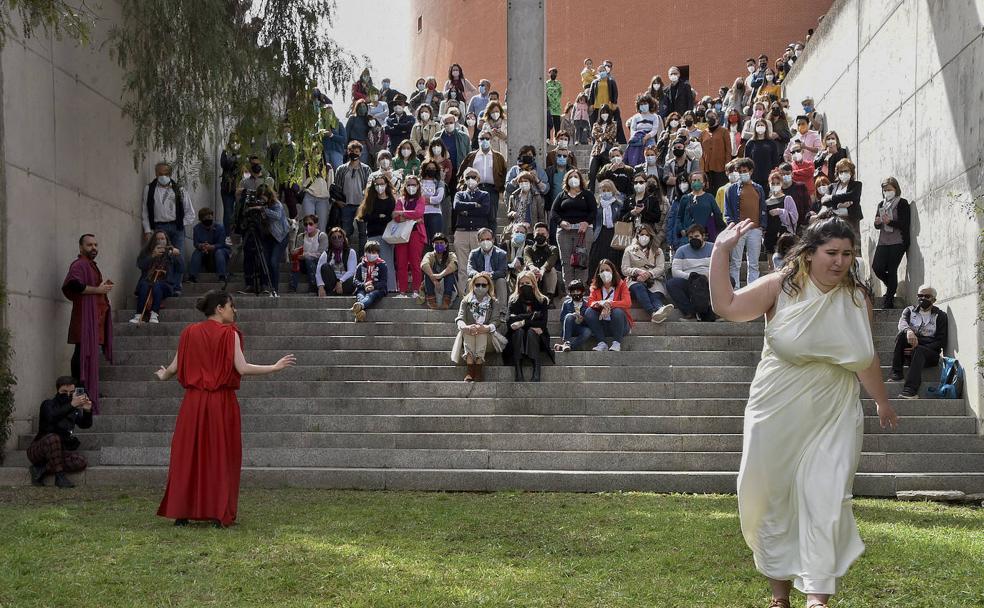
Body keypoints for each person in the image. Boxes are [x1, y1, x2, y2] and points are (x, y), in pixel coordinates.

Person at [708, 211, 898, 608]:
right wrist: (721, 253)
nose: (840, 262)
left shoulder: (856, 297)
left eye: (847, 253)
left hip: (834, 411)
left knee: (826, 499)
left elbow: (865, 356)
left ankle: (817, 596)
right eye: (832, 252)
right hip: (777, 407)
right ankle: (780, 595)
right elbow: (727, 306)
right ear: (809, 253)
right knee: (771, 498)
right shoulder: (781, 287)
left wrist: (881, 400)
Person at [156, 291, 295, 527]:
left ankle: (182, 513)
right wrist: (273, 367)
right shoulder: (229, 334)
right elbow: (241, 368)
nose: (234, 310)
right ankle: (218, 514)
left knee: (189, 455)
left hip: (192, 403)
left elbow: (173, 367)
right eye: (231, 305)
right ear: (219, 308)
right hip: (220, 402)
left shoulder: (189, 332)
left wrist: (163, 375)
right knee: (220, 456)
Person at [61, 234, 113, 412]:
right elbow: (73, 285)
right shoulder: (80, 264)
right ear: (81, 247)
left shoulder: (90, 265)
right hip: (84, 318)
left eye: (96, 244)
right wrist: (98, 289)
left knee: (87, 355)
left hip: (94, 318)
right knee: (80, 354)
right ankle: (79, 393)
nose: (94, 247)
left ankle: (87, 392)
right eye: (90, 245)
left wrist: (100, 289)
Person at [27, 376, 93, 488]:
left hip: (57, 453)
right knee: (53, 437)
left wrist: (87, 410)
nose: (68, 395)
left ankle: (41, 468)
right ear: (57, 391)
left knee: (80, 461)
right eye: (64, 392)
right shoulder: (48, 404)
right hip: (38, 450)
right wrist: (72, 405)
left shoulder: (73, 410)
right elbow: (52, 417)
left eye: (71, 392)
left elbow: (85, 424)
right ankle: (60, 477)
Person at [892, 285, 947, 399]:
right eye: (920, 295)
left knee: (920, 351)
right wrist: (909, 332)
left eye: (926, 296)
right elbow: (902, 324)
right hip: (911, 350)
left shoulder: (940, 315)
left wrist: (918, 346)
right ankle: (897, 373)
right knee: (902, 334)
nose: (922, 298)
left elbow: (941, 342)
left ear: (934, 300)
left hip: (930, 353)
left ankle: (911, 390)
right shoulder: (909, 310)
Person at [451, 273, 505, 382]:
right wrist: (465, 327)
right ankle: (470, 368)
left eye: (484, 285)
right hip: (469, 335)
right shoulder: (465, 301)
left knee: (481, 331)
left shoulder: (493, 302)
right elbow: (460, 318)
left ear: (489, 286)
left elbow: (496, 320)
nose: (480, 287)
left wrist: (486, 328)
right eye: (477, 284)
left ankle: (479, 366)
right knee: (469, 331)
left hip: (488, 338)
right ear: (473, 285)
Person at [724, 158, 767, 286]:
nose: (742, 173)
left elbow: (763, 208)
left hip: (755, 230)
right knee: (736, 262)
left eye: (745, 171)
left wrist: (762, 227)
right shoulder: (731, 190)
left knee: (754, 263)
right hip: (739, 229)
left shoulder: (758, 188)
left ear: (751, 171)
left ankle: (752, 290)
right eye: (740, 171)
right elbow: (727, 212)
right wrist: (733, 226)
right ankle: (735, 290)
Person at [505, 271, 554, 381]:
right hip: (518, 337)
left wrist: (522, 322)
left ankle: (537, 368)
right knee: (519, 332)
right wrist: (532, 316)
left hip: (537, 337)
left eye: (527, 283)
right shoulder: (513, 300)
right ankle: (518, 370)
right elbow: (509, 321)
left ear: (533, 283)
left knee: (532, 332)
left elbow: (542, 323)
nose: (524, 286)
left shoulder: (542, 300)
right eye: (521, 284)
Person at [141, 161, 196, 258]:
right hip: (159, 228)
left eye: (166, 174)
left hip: (177, 229)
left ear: (170, 174)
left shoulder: (180, 190)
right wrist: (147, 230)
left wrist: (179, 223)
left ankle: (178, 274)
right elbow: (145, 211)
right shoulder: (149, 189)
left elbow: (190, 213)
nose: (163, 176)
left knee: (178, 258)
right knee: (161, 257)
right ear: (156, 174)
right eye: (160, 174)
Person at [551, 169, 596, 286]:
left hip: (583, 232)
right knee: (566, 262)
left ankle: (580, 288)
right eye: (570, 177)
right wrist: (561, 222)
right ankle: (569, 289)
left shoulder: (587, 194)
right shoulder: (562, 195)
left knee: (582, 261)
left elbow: (593, 211)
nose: (573, 179)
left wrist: (586, 222)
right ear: (566, 180)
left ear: (580, 179)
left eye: (576, 176)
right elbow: (553, 212)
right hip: (565, 232)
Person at [871, 177, 911, 308]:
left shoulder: (902, 203)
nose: (887, 192)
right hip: (883, 241)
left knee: (892, 269)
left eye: (889, 189)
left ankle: (888, 301)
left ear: (895, 189)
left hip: (898, 241)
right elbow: (878, 224)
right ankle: (892, 287)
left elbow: (905, 224)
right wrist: (877, 223)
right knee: (877, 267)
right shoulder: (881, 204)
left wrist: (890, 222)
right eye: (885, 190)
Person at [622, 224, 674, 323]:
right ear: (637, 235)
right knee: (639, 288)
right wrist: (637, 271)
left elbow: (660, 267)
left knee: (655, 293)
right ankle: (653, 313)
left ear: (651, 236)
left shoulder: (658, 251)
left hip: (653, 279)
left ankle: (660, 309)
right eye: (642, 234)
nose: (644, 237)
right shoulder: (629, 250)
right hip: (635, 281)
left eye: (647, 235)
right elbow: (624, 269)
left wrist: (649, 274)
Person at [355, 174, 398, 292]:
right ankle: (372, 287)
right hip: (373, 235)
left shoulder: (391, 200)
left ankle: (390, 288)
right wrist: (379, 216)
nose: (380, 186)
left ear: (386, 185)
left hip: (388, 236)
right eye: (377, 184)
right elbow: (364, 216)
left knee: (387, 262)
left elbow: (392, 217)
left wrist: (381, 217)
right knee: (372, 264)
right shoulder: (370, 200)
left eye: (382, 184)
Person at [130, 231, 182, 324]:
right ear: (153, 241)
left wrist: (177, 256)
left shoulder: (171, 252)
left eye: (162, 239)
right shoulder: (147, 252)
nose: (160, 241)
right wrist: (152, 256)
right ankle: (138, 315)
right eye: (157, 239)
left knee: (157, 285)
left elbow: (181, 268)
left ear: (166, 240)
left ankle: (154, 314)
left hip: (165, 284)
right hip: (148, 282)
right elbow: (141, 265)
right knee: (145, 285)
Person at [667, 224, 716, 321]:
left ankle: (717, 312)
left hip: (708, 281)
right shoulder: (681, 250)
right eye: (691, 237)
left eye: (697, 236)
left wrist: (707, 277)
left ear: (703, 236)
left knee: (729, 281)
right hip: (689, 280)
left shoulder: (713, 248)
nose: (694, 239)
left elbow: (719, 267)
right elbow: (675, 271)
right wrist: (693, 277)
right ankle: (690, 313)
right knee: (671, 284)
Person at [452, 168, 492, 288]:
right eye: (468, 177)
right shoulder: (460, 194)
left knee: (479, 266)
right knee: (462, 267)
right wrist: (474, 205)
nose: (471, 180)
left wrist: (466, 211)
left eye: (473, 177)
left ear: (478, 179)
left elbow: (485, 210)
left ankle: (481, 293)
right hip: (461, 232)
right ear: (464, 179)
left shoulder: (485, 195)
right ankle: (464, 296)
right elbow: (457, 206)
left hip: (478, 233)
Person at [460, 132, 507, 231]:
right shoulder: (472, 156)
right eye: (482, 138)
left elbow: (504, 173)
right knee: (475, 215)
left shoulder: (498, 156)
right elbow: (462, 172)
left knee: (492, 218)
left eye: (487, 138)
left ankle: (493, 242)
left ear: (490, 140)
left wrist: (501, 189)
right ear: (478, 140)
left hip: (492, 190)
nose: (484, 141)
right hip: (475, 189)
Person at [584, 260, 633, 351]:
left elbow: (627, 302)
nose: (605, 273)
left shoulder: (622, 285)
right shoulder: (595, 287)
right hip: (603, 325)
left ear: (613, 272)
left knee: (617, 311)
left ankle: (617, 343)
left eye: (607, 270)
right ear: (598, 274)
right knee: (589, 312)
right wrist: (601, 303)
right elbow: (590, 302)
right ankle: (602, 343)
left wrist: (609, 303)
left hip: (621, 325)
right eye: (602, 271)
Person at [392, 175, 428, 297]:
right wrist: (413, 218)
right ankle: (401, 290)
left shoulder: (421, 199)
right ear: (404, 186)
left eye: (413, 184)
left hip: (416, 234)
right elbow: (396, 218)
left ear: (418, 186)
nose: (411, 187)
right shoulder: (400, 200)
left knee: (415, 263)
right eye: (408, 184)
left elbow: (419, 212)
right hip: (401, 236)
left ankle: (416, 290)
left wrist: (402, 213)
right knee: (401, 263)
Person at [466, 227, 509, 322]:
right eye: (482, 239)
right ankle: (470, 311)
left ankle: (502, 312)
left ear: (493, 240)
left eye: (488, 239)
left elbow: (503, 271)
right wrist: (479, 275)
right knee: (469, 281)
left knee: (502, 281)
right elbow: (470, 270)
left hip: (494, 280)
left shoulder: (501, 254)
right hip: (480, 280)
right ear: (478, 241)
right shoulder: (474, 253)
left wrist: (490, 275)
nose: (485, 241)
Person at [820, 158, 863, 245]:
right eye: (841, 172)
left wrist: (832, 197)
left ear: (851, 172)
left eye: (846, 171)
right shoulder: (832, 186)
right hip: (835, 220)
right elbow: (824, 201)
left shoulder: (857, 185)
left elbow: (852, 195)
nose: (843, 173)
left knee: (853, 244)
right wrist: (839, 205)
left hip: (851, 220)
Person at [333, 141, 371, 239]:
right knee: (346, 232)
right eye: (351, 151)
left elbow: (370, 187)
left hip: (361, 205)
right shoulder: (341, 169)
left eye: (357, 151)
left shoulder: (366, 169)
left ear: (360, 153)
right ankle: (347, 253)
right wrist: (337, 201)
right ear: (348, 152)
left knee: (363, 233)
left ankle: (363, 254)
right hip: (346, 205)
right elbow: (336, 188)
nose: (354, 153)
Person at [676, 170, 726, 243]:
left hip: (705, 236)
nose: (696, 182)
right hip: (688, 236)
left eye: (699, 180)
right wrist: (681, 230)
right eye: (694, 180)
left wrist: (721, 231)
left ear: (704, 183)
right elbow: (679, 217)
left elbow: (717, 215)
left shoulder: (709, 197)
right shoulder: (685, 198)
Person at [588, 179, 624, 276]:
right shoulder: (596, 205)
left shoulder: (619, 205)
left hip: (614, 235)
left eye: (608, 190)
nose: (606, 192)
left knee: (613, 260)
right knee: (597, 259)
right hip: (599, 234)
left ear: (613, 191)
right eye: (603, 190)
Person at [187, 208, 230, 288]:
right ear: (201, 219)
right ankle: (192, 276)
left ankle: (222, 276)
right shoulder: (197, 228)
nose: (209, 219)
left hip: (219, 250)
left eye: (210, 217)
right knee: (197, 253)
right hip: (204, 250)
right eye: (206, 218)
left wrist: (212, 247)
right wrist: (201, 246)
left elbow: (222, 243)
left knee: (219, 252)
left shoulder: (219, 227)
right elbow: (196, 243)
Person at [763, 170, 800, 258]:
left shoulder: (787, 198)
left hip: (784, 235)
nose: (775, 186)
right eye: (773, 183)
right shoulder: (766, 202)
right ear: (769, 184)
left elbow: (794, 217)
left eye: (777, 183)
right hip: (770, 235)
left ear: (781, 184)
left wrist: (780, 211)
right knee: (771, 261)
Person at [299, 143, 334, 233]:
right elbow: (302, 183)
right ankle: (308, 246)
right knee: (308, 226)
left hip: (323, 199)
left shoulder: (328, 167)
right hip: (309, 196)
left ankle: (321, 247)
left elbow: (330, 185)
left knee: (321, 228)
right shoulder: (306, 166)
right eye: (314, 152)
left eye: (318, 152)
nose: (316, 154)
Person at [289, 214, 328, 293]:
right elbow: (299, 251)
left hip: (318, 264)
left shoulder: (322, 236)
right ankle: (292, 287)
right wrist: (295, 252)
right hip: (305, 263)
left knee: (308, 260)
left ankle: (313, 286)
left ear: (316, 224)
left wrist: (307, 255)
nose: (308, 226)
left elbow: (321, 254)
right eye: (305, 224)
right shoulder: (301, 236)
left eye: (310, 224)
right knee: (296, 261)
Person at [351, 241, 389, 322]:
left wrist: (373, 286)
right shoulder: (361, 265)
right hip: (363, 288)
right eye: (369, 252)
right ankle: (359, 313)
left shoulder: (382, 265)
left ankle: (360, 305)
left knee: (371, 295)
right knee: (360, 295)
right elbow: (355, 280)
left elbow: (384, 282)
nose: (371, 254)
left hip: (377, 289)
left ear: (378, 253)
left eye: (373, 252)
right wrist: (364, 285)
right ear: (365, 252)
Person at [316, 227, 357, 297]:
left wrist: (340, 282)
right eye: (334, 238)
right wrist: (320, 287)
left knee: (353, 279)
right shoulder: (326, 253)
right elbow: (318, 271)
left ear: (343, 239)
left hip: (344, 281)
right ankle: (336, 292)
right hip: (331, 281)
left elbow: (351, 271)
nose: (337, 239)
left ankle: (333, 293)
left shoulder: (350, 252)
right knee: (325, 267)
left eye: (340, 237)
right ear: (330, 240)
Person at [421, 232, 458, 309]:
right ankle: (431, 299)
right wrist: (434, 279)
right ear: (433, 244)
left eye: (441, 243)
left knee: (449, 273)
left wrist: (441, 275)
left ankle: (446, 300)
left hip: (447, 287)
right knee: (428, 273)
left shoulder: (451, 255)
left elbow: (454, 264)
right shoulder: (429, 255)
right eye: (436, 243)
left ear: (446, 244)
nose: (439, 245)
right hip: (433, 285)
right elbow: (424, 264)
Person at [524, 222, 560, 300]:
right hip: (533, 272)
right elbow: (527, 258)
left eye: (543, 234)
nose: (540, 236)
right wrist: (532, 267)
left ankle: (550, 297)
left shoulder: (553, 249)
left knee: (552, 270)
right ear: (534, 234)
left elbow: (551, 261)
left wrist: (542, 269)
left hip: (546, 274)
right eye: (538, 234)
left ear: (547, 235)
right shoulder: (528, 248)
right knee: (526, 271)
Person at [624, 95, 663, 167]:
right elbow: (632, 129)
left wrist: (646, 137)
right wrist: (636, 137)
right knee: (633, 157)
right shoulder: (636, 117)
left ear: (649, 104)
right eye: (641, 104)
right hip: (637, 138)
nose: (643, 106)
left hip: (650, 138)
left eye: (645, 104)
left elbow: (654, 130)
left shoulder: (654, 116)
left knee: (651, 154)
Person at [700, 110, 732, 193]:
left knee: (720, 191)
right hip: (707, 168)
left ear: (717, 119)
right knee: (708, 191)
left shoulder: (724, 131)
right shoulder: (703, 133)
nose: (711, 119)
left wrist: (727, 166)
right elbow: (701, 151)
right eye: (708, 117)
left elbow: (728, 150)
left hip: (720, 168)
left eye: (713, 117)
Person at [555, 279, 592, 352]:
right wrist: (572, 316)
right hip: (569, 328)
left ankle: (567, 346)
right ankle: (567, 342)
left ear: (583, 292)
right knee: (569, 315)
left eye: (577, 291)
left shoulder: (587, 304)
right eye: (573, 291)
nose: (575, 293)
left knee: (588, 332)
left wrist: (582, 320)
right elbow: (562, 319)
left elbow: (589, 321)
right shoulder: (566, 303)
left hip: (580, 327)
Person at [506, 171, 548, 235]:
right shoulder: (513, 196)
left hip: (530, 230)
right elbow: (509, 214)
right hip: (517, 229)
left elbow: (541, 216)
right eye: (521, 182)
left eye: (525, 181)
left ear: (530, 183)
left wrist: (539, 230)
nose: (523, 183)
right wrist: (512, 213)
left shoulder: (536, 197)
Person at [588, 106, 617, 189]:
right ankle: (590, 193)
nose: (604, 114)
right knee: (592, 173)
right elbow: (594, 135)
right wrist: (604, 136)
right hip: (596, 151)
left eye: (606, 112)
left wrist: (601, 136)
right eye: (602, 112)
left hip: (607, 151)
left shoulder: (613, 124)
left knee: (607, 174)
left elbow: (612, 135)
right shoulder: (596, 124)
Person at [219, 135, 243, 235]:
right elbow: (225, 165)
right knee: (228, 212)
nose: (235, 143)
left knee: (240, 211)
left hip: (240, 186)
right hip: (227, 186)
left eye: (237, 141)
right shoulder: (225, 153)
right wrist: (234, 156)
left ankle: (238, 233)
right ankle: (228, 235)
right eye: (232, 141)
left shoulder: (244, 152)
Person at [419, 160, 447, 243]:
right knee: (423, 241)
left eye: (433, 168)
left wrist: (425, 199)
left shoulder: (439, 183)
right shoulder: (419, 182)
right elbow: (416, 198)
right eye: (429, 168)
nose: (431, 170)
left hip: (435, 214)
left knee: (435, 240)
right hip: (421, 215)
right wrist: (432, 200)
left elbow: (439, 198)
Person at [545, 67, 563, 144]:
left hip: (557, 108)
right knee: (548, 124)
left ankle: (557, 140)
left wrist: (556, 102)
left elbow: (560, 93)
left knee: (557, 125)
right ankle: (548, 139)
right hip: (549, 107)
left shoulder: (559, 84)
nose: (553, 74)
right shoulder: (546, 83)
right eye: (551, 72)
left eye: (555, 72)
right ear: (548, 73)